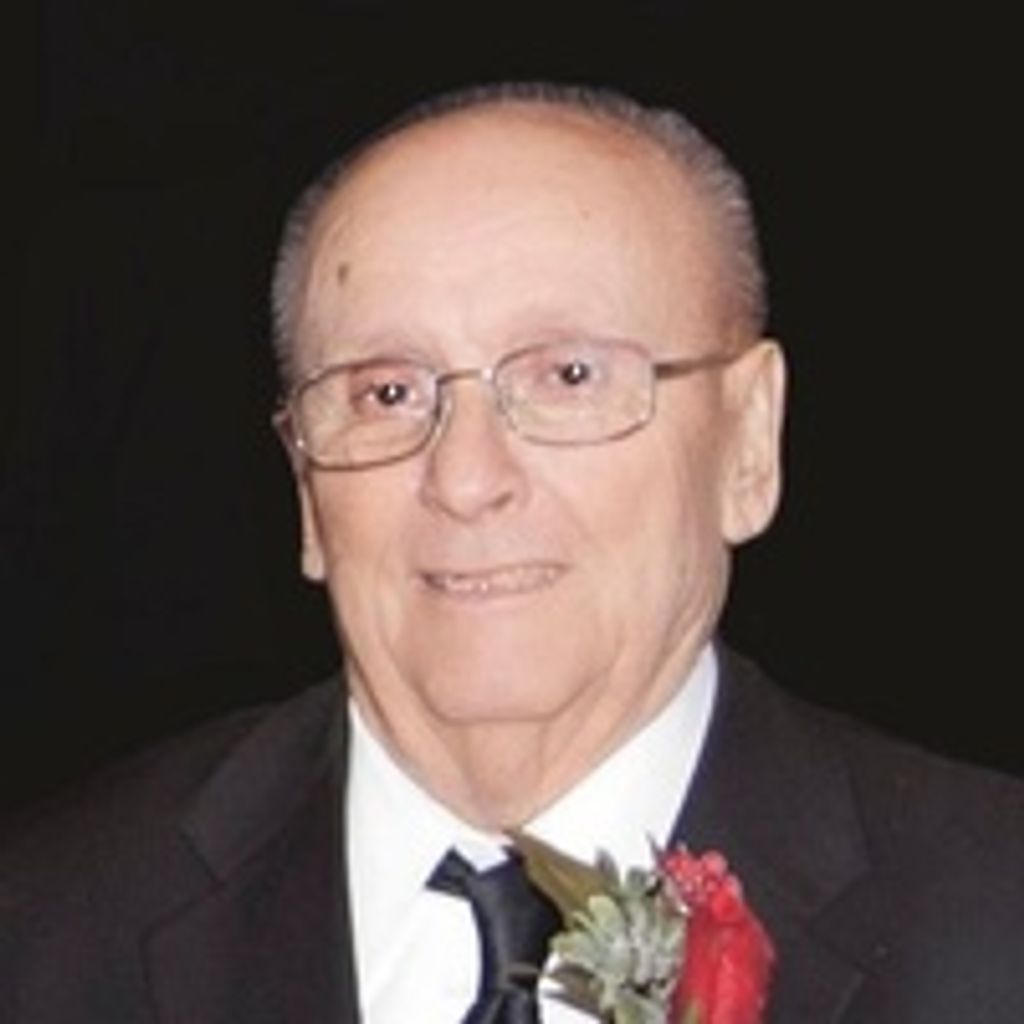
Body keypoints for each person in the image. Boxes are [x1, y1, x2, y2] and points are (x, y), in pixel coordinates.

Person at [2, 81, 1022, 1024]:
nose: (465, 477)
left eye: (568, 375)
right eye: (387, 392)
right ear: (306, 485)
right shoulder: (47, 935)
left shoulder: (992, 922)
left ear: (748, 443)